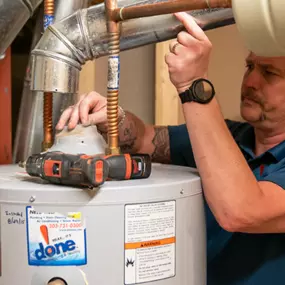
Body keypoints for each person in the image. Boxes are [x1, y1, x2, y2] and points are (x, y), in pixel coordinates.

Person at [56, 12, 285, 285]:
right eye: (250, 67)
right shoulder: (230, 137)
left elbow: (242, 211)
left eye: (269, 73)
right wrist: (115, 120)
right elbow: (146, 140)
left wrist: (194, 87)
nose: (250, 82)